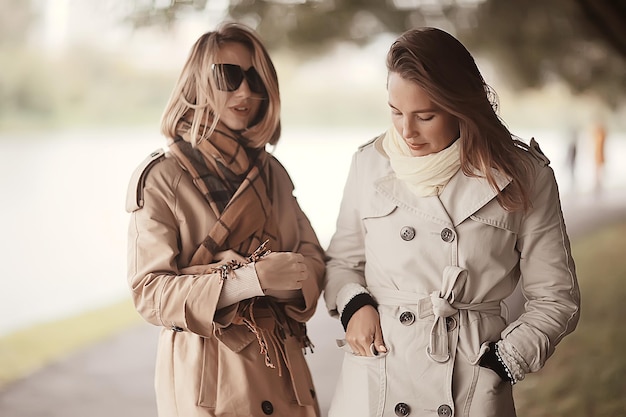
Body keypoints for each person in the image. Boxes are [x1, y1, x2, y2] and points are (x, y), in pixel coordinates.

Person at [324, 27, 580, 417]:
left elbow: (556, 298)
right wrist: (354, 306)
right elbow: (341, 262)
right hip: (378, 377)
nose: (406, 131)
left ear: (461, 106)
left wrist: (506, 361)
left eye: (425, 116)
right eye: (395, 112)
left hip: (471, 380)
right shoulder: (369, 163)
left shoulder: (524, 175)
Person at [125, 22, 325, 417]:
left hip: (285, 375)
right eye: (228, 76)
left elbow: (314, 262)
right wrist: (249, 281)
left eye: (255, 79)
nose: (245, 92)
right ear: (198, 83)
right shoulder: (162, 177)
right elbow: (149, 292)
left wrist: (281, 279)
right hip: (209, 381)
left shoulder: (273, 173)